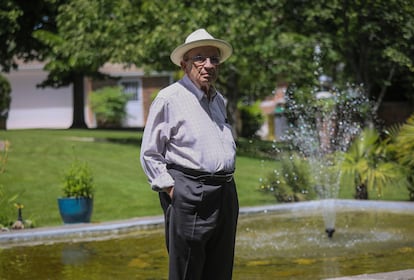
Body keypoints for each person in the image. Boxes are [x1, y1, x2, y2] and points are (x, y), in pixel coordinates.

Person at [140, 28, 239, 280]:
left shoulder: (219, 100)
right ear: (184, 65)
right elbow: (150, 153)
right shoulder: (169, 99)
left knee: (220, 270)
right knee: (188, 272)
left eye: (213, 59)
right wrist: (173, 190)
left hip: (226, 192)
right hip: (190, 192)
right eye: (199, 58)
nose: (208, 65)